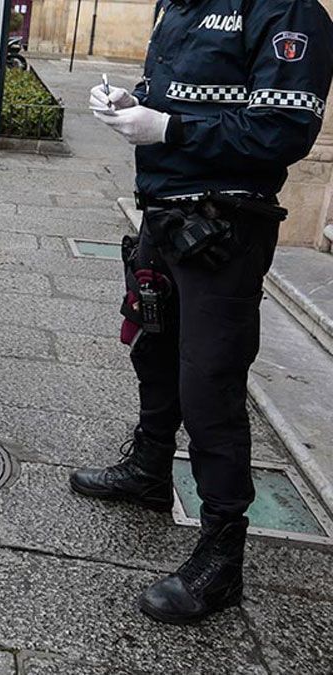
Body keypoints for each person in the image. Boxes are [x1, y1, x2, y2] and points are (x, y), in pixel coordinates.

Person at [72, 0, 333, 625]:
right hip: (163, 212)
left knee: (210, 383)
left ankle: (223, 555)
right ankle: (149, 468)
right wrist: (130, 105)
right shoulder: (178, 4)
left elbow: (282, 133)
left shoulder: (288, 12)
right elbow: (180, 93)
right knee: (154, 350)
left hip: (225, 225)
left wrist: (168, 129)